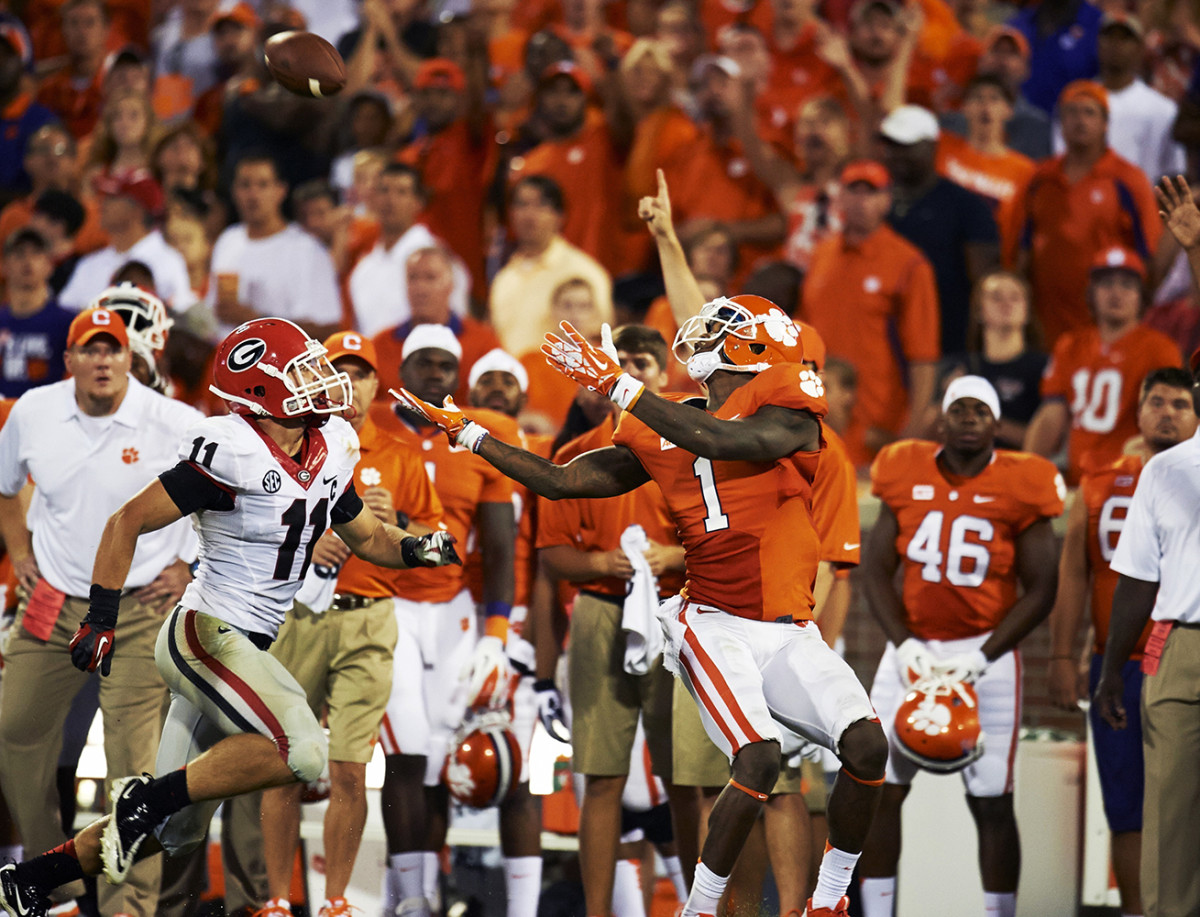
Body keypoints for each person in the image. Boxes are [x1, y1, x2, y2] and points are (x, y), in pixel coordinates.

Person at [394, 296, 888, 917]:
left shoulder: (788, 403)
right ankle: (697, 909)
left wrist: (619, 384)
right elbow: (562, 480)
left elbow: (723, 438)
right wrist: (471, 437)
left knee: (869, 747)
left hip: (789, 628)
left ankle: (829, 898)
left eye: (722, 326)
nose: (705, 334)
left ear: (754, 344)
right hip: (713, 623)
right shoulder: (666, 421)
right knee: (757, 759)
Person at [0, 317, 460, 917]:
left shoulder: (331, 448)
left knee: (170, 830)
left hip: (250, 644)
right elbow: (126, 521)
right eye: (305, 371)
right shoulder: (233, 449)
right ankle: (149, 799)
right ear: (264, 391)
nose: (324, 381)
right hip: (205, 634)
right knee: (303, 750)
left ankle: (32, 880)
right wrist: (103, 617)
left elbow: (367, 536)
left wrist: (416, 548)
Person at [0, 306, 204, 917]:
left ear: (129, 358)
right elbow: (6, 486)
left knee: (132, 760)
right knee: (13, 730)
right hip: (56, 598)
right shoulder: (33, 411)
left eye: (112, 350)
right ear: (69, 361)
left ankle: (127, 907)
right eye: (89, 350)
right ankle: (52, 887)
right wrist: (17, 548)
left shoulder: (173, 421)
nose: (102, 361)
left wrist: (190, 563)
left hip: (140, 604)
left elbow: (227, 492)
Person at [859, 375, 1064, 917]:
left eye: (981, 410)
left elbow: (1042, 588)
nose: (970, 417)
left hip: (986, 658)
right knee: (879, 790)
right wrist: (902, 645)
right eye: (959, 408)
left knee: (993, 800)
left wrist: (983, 656)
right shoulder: (903, 466)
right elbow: (876, 571)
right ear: (941, 418)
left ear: (997, 423)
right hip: (912, 654)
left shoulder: (1025, 480)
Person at [257, 331, 444, 917]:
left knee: (351, 766)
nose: (353, 384)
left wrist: (400, 524)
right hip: (298, 613)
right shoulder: (285, 446)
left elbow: (436, 547)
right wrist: (312, 546)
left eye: (362, 374)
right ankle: (278, 901)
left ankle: (336, 902)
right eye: (342, 369)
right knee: (283, 762)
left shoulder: (402, 454)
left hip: (369, 618)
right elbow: (255, 531)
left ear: (373, 384)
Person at [534, 325, 691, 917]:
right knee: (599, 777)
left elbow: (723, 536)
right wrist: (601, 560)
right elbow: (552, 556)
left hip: (676, 610)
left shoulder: (691, 446)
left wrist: (671, 556)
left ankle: (699, 906)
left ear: (662, 375)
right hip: (601, 607)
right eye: (617, 362)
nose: (628, 371)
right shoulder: (574, 453)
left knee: (686, 778)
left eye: (641, 362)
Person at [367, 324, 518, 917]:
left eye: (446, 365)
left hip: (454, 607)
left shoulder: (482, 435)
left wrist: (497, 630)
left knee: (438, 756)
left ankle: (420, 894)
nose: (435, 374)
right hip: (390, 599)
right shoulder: (370, 427)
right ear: (402, 372)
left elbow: (501, 542)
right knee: (404, 751)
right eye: (423, 363)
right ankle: (409, 899)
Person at [1049, 366, 1197, 917]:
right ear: (1136, 410)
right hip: (1128, 654)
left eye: (1179, 403)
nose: (1166, 412)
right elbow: (1078, 573)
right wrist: (1065, 654)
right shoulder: (1100, 478)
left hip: (1170, 647)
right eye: (1155, 401)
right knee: (1130, 802)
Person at [1091, 172, 1200, 917]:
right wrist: (1107, 675)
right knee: (1166, 828)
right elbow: (1134, 580)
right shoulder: (1164, 468)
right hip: (1178, 648)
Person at [800, 159, 940, 467]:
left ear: (886, 200)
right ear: (839, 197)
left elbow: (923, 357)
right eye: (853, 191)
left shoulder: (908, 264)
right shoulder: (821, 254)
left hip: (877, 426)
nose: (861, 201)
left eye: (871, 193)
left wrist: (911, 435)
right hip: (816, 419)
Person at [1016, 80, 1162, 347]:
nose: (1079, 120)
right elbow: (1022, 251)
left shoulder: (1129, 179)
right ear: (1059, 122)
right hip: (1045, 326)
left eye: (1089, 112)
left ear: (1106, 123)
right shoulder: (1039, 178)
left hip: (1109, 327)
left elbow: (1150, 257)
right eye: (1071, 112)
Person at [1023, 245, 1180, 484]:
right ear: (1091, 292)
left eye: (1126, 285)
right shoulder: (1070, 344)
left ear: (1141, 295)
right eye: (1106, 284)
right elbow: (1051, 415)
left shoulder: (1159, 349)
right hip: (1079, 479)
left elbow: (1166, 420)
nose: (1116, 293)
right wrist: (1028, 469)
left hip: (1131, 479)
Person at [879, 104, 1000, 357]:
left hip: (946, 344)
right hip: (881, 342)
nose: (896, 154)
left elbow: (984, 283)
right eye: (891, 145)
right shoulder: (872, 203)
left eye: (906, 146)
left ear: (932, 147)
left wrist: (974, 348)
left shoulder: (967, 206)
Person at [206, 154, 342, 340]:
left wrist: (256, 320)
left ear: (280, 190)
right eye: (245, 185)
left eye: (262, 185)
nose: (253, 195)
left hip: (284, 365)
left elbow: (329, 329)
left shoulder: (307, 250)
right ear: (234, 191)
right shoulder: (228, 241)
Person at [489, 175, 613, 358]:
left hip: (562, 381)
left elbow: (600, 340)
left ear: (560, 216)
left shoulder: (585, 272)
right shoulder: (505, 278)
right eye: (522, 204)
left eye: (541, 205)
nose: (530, 214)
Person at [348, 163, 470, 338]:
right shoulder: (363, 269)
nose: (390, 200)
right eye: (384, 191)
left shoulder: (439, 260)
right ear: (373, 199)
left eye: (402, 192)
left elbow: (459, 327)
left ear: (418, 202)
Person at [930, 270, 1047, 450]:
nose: (1006, 304)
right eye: (996, 297)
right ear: (978, 310)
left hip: (1019, 468)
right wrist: (947, 401)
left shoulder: (1045, 368)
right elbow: (926, 435)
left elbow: (1051, 440)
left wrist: (980, 417)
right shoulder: (958, 367)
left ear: (1027, 310)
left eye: (1015, 297)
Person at [370, 246, 499, 405]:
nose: (421, 288)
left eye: (430, 278)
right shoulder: (380, 345)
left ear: (451, 285)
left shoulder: (483, 344)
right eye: (413, 278)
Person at [59, 170, 196, 314]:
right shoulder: (90, 263)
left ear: (137, 209)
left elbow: (178, 321)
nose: (102, 203)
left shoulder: (168, 262)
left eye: (112, 197)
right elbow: (64, 315)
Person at [936, 74, 1037, 268]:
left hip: (993, 268)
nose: (985, 106)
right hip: (944, 264)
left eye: (994, 99)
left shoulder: (1025, 171)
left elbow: (1025, 236)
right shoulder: (942, 146)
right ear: (964, 108)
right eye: (977, 98)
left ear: (1009, 110)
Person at [0, 228, 75, 397]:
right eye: (19, 254)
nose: (28, 261)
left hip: (49, 417)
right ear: (4, 265)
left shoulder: (68, 324)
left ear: (50, 265)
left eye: (36, 253)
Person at [34, 0, 109, 139]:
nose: (82, 31)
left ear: (105, 29)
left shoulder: (116, 83)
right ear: (63, 30)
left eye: (89, 22)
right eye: (74, 23)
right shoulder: (49, 90)